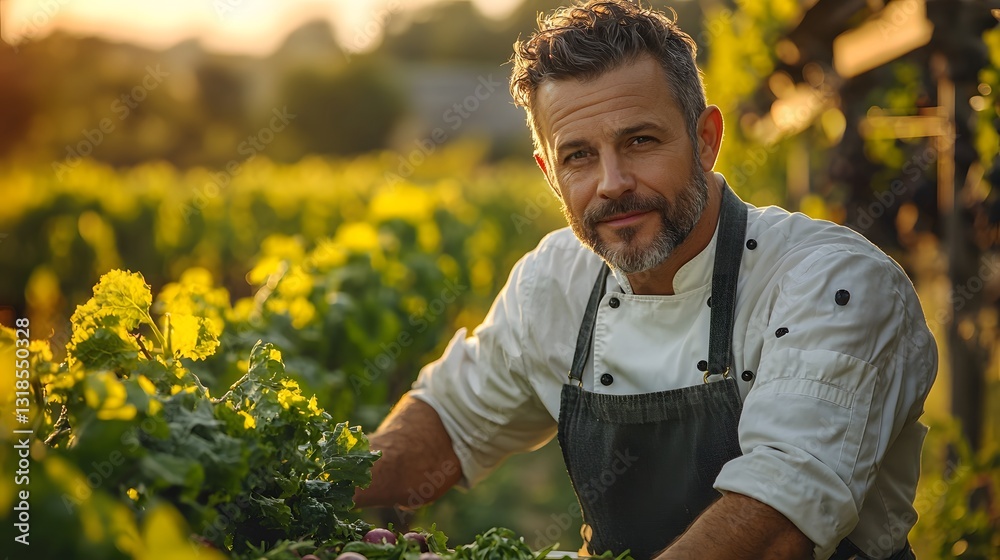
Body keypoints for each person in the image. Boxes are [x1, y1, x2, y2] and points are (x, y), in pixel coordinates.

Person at [354, 2, 937, 559]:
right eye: (578, 156)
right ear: (550, 175)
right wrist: (296, 494)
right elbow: (451, 420)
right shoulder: (555, 280)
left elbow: (775, 526)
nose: (612, 183)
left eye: (640, 140)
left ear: (706, 139)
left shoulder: (830, 282)